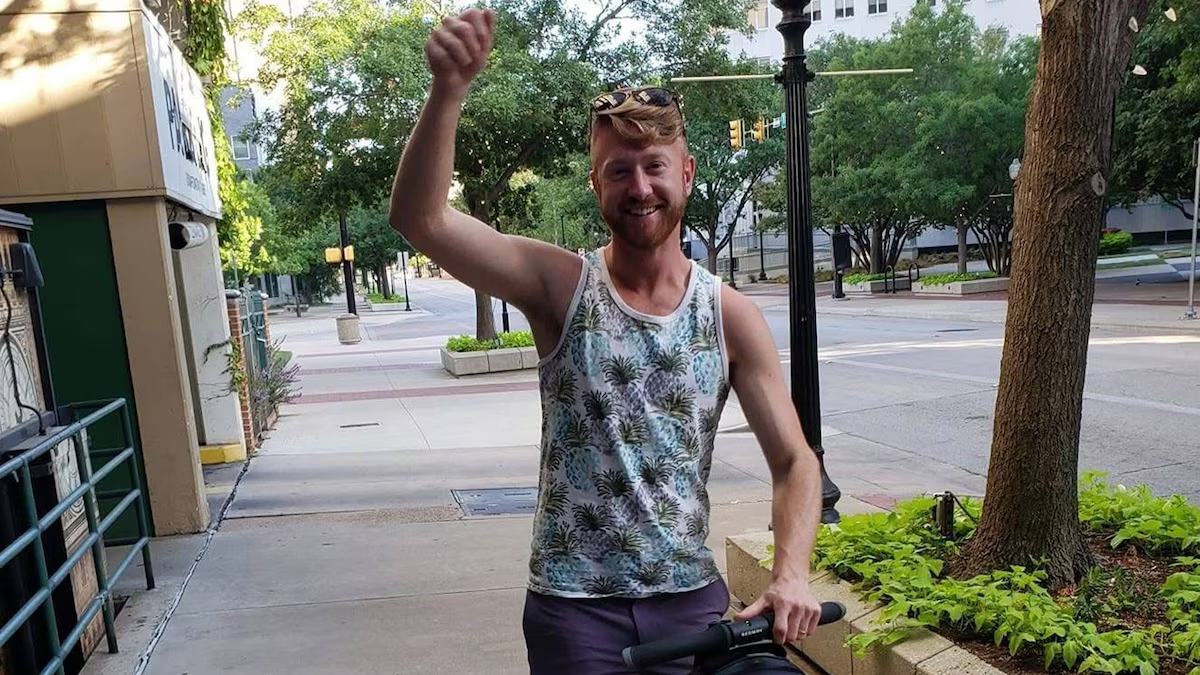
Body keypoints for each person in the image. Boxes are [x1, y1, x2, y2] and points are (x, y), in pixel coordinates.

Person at [389, 9, 824, 674]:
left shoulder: (728, 315)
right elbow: (421, 219)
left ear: (686, 173)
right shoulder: (559, 285)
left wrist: (791, 572)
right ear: (596, 184)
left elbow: (795, 462)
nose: (640, 187)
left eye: (654, 166)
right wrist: (448, 90)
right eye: (619, 171)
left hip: (691, 606)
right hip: (575, 614)